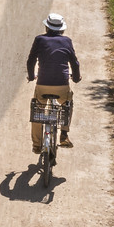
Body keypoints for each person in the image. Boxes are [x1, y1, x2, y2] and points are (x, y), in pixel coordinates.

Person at [26, 12, 80, 153]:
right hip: (62, 85)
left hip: (43, 84)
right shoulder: (67, 41)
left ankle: (37, 145)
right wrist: (76, 78)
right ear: (62, 29)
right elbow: (75, 63)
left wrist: (31, 76)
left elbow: (31, 61)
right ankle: (64, 134)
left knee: (38, 110)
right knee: (67, 104)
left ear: (47, 27)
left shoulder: (39, 40)